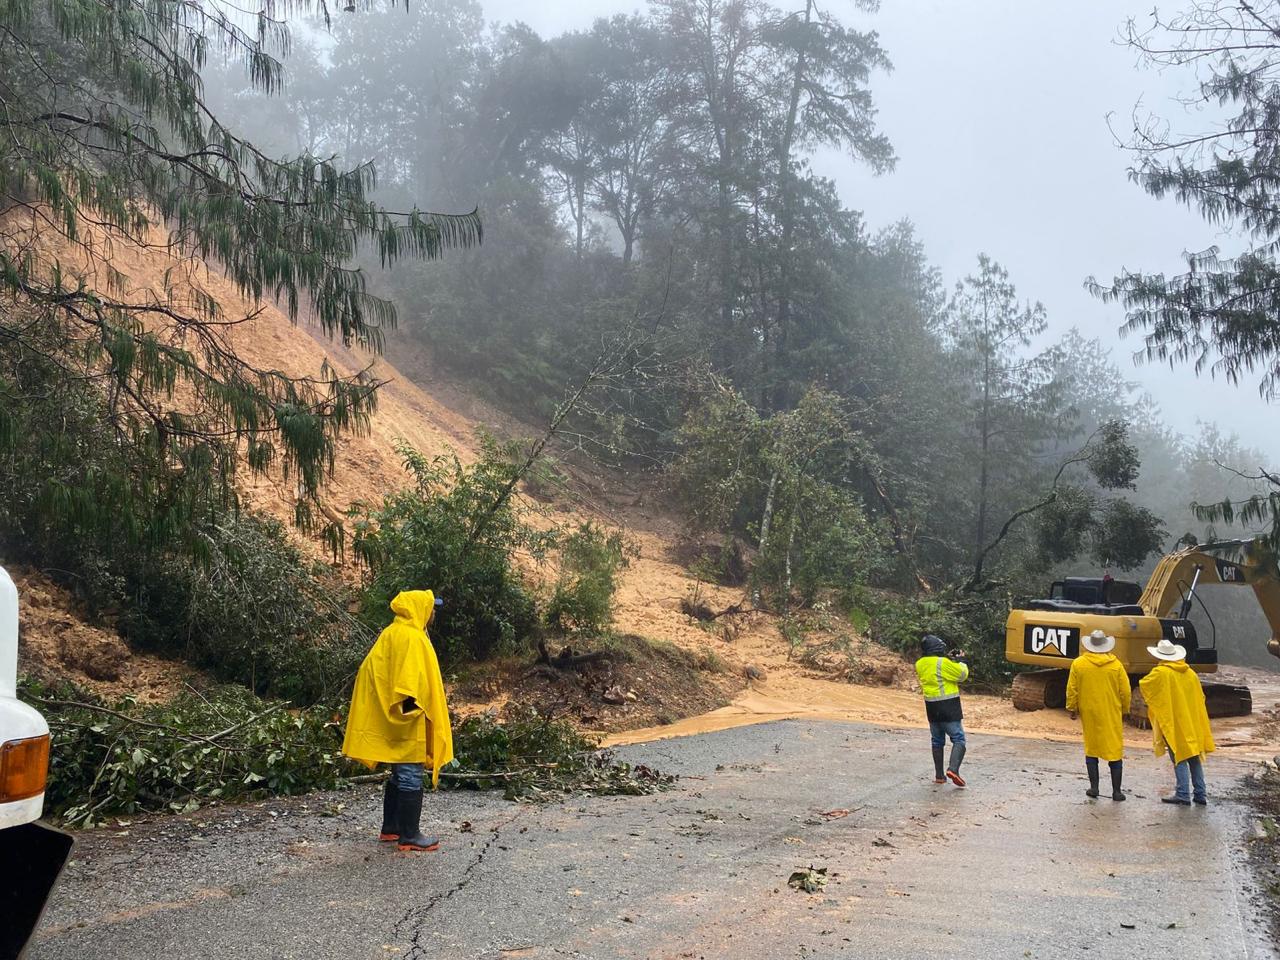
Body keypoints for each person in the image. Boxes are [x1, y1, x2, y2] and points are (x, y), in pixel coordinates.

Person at [343, 589, 454, 851]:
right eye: (431, 607)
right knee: (410, 774)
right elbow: (409, 681)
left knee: (397, 773)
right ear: (420, 609)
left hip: (391, 714)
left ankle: (391, 829)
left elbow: (373, 672)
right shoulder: (411, 637)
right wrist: (411, 710)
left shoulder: (391, 632)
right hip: (406, 717)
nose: (433, 612)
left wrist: (389, 710)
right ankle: (410, 836)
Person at [1138, 638, 1216, 806]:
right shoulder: (1190, 673)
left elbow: (1144, 685)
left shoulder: (1161, 673)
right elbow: (1200, 698)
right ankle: (1200, 794)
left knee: (1179, 756)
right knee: (1194, 757)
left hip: (1174, 722)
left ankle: (1182, 794)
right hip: (1192, 721)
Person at [1066, 629, 1131, 801]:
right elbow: (1125, 691)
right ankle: (1116, 792)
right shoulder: (1116, 665)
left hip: (1089, 712)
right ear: (1105, 646)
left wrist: (1072, 708)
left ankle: (1094, 788)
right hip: (1111, 711)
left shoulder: (1078, 664)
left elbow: (1072, 688)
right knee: (1114, 749)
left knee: (1091, 747)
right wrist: (1125, 709)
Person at [915, 634, 970, 787]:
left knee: (937, 740)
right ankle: (953, 770)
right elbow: (962, 675)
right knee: (958, 739)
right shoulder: (942, 663)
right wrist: (961, 661)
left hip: (931, 708)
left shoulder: (920, 664)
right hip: (948, 707)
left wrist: (950, 659)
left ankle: (939, 776)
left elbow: (936, 668)